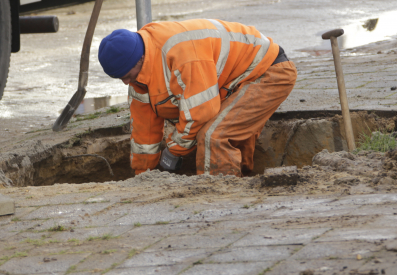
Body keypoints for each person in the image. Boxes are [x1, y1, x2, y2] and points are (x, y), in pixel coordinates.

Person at [97, 19, 297, 176]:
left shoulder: (182, 53)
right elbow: (144, 132)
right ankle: (240, 185)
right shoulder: (138, 77)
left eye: (126, 75)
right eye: (120, 78)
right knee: (227, 131)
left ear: (140, 58)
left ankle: (217, 200)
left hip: (269, 72)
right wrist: (144, 175)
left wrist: (173, 151)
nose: (125, 83)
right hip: (234, 83)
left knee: (214, 135)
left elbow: (201, 113)